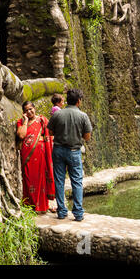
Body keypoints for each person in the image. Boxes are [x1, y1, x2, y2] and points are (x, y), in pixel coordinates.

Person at [47, 89, 92, 221]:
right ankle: (78, 213)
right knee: (77, 181)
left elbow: (49, 132)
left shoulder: (57, 115)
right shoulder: (83, 116)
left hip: (58, 150)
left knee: (59, 180)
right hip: (74, 151)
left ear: (67, 100)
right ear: (78, 101)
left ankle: (61, 212)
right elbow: (87, 137)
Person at [16, 101, 56, 214]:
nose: (29, 112)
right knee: (28, 178)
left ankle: (42, 206)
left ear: (34, 108)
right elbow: (21, 135)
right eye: (26, 110)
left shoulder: (43, 120)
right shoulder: (21, 121)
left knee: (41, 180)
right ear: (23, 112)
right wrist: (26, 122)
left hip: (41, 155)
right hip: (27, 155)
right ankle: (30, 205)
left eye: (30, 109)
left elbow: (50, 137)